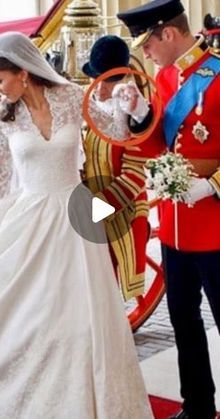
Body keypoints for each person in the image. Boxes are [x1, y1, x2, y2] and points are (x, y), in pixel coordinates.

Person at [0, 31, 154, 418]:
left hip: (76, 216)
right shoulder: (1, 114)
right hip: (30, 217)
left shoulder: (69, 97)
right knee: (24, 309)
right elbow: (2, 173)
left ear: (22, 73)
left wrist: (126, 104)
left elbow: (114, 131)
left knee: (80, 313)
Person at [117, 1, 220, 418]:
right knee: (184, 323)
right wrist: (141, 114)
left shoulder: (217, 78)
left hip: (215, 227)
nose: (146, 53)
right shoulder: (162, 78)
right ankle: (197, 406)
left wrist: (212, 184)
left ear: (169, 34)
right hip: (176, 229)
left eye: (148, 44)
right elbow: (158, 146)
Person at [82, 34, 156, 302]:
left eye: (109, 80)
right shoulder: (86, 105)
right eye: (96, 78)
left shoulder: (132, 107)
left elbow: (136, 172)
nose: (100, 87)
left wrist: (97, 208)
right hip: (89, 199)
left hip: (123, 204)